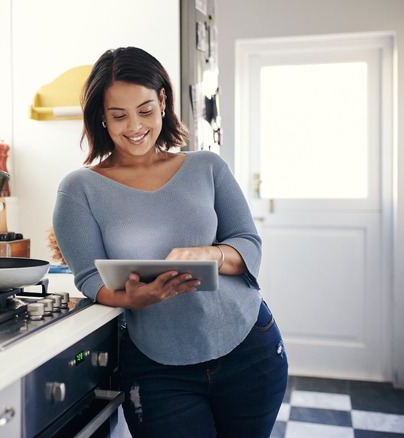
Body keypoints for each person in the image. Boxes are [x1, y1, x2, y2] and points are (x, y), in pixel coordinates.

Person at [52, 46, 288, 438]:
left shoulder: (207, 167)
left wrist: (209, 254)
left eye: (145, 110)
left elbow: (248, 244)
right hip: (157, 367)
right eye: (118, 115)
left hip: (249, 346)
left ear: (163, 100)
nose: (134, 126)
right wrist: (129, 299)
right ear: (101, 118)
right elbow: (89, 278)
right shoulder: (79, 189)